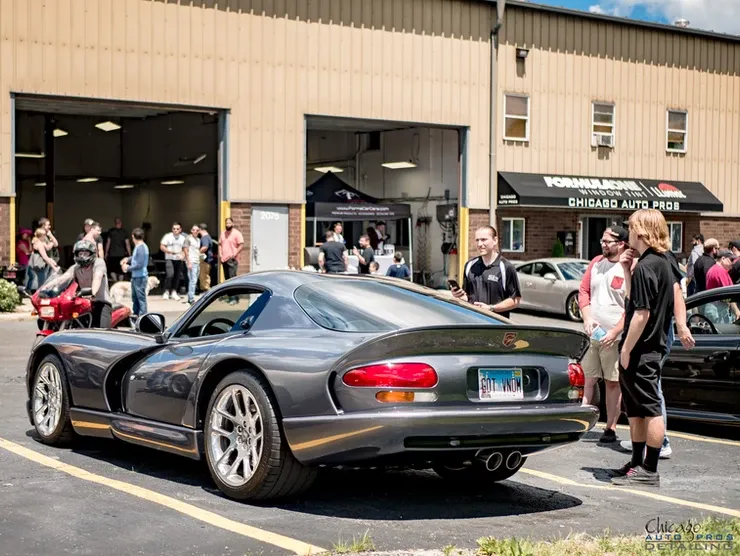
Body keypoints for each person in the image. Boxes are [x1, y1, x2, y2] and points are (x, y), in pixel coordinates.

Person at [611, 209, 675, 487]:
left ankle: (649, 469)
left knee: (650, 409)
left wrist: (626, 348)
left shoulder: (649, 266)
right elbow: (632, 300)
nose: (629, 232)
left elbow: (641, 313)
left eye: (631, 227)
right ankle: (636, 463)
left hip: (644, 349)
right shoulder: (658, 263)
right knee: (635, 409)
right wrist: (627, 270)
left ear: (643, 231)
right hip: (649, 347)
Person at [578, 226, 629, 443]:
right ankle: (581, 422)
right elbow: (583, 291)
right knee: (588, 378)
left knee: (612, 382)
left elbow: (633, 306)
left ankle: (611, 427)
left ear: (621, 244)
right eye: (602, 240)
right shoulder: (596, 262)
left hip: (614, 337)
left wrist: (616, 330)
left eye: (608, 241)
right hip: (594, 334)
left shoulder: (628, 267)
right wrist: (587, 317)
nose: (603, 244)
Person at [451, 225, 522, 319]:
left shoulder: (506, 267)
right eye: (477, 240)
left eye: (484, 240)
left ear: (495, 240)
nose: (480, 244)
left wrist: (491, 308)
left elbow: (515, 300)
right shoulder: (469, 265)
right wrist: (459, 295)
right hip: (472, 322)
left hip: (495, 325)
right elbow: (468, 297)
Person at [72, 239, 112, 328]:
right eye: (80, 254)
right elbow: (64, 278)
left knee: (102, 331)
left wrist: (92, 292)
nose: (82, 256)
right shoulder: (76, 268)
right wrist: (46, 289)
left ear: (91, 254)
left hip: (100, 302)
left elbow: (97, 277)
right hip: (83, 303)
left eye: (85, 254)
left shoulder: (99, 263)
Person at [121, 228, 150, 318]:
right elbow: (135, 257)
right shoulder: (139, 246)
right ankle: (136, 315)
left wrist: (127, 268)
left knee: (140, 298)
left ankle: (142, 317)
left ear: (133, 236)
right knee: (135, 298)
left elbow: (139, 264)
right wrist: (128, 259)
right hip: (136, 276)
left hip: (140, 277)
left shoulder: (141, 247)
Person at [160, 222, 186, 300]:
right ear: (172, 229)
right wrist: (169, 251)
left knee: (177, 276)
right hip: (169, 258)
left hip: (178, 259)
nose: (175, 230)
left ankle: (174, 291)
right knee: (170, 274)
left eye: (177, 229)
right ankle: (166, 291)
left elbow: (185, 249)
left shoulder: (183, 238)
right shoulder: (167, 236)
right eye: (174, 229)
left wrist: (183, 256)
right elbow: (162, 246)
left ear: (180, 229)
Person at [105, 217, 131, 283]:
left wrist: (106, 253)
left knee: (113, 270)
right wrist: (130, 254)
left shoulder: (111, 231)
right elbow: (127, 244)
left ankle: (115, 282)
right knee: (121, 271)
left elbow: (108, 243)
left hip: (113, 255)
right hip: (120, 255)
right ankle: (119, 283)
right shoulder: (124, 232)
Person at [219, 217, 244, 282]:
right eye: (226, 223)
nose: (228, 224)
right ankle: (228, 292)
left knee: (232, 278)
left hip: (232, 259)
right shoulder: (222, 233)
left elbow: (241, 245)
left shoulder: (237, 233)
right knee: (226, 278)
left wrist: (234, 254)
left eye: (229, 223)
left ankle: (235, 292)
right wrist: (220, 254)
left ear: (232, 224)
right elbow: (220, 244)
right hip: (224, 259)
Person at [183, 224, 202, 305]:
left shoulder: (198, 240)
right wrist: (189, 262)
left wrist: (201, 256)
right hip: (191, 262)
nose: (195, 231)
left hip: (197, 261)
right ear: (191, 230)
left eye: (197, 230)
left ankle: (191, 297)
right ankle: (191, 299)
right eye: (194, 230)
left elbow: (196, 251)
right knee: (193, 280)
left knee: (195, 280)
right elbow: (185, 250)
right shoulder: (188, 239)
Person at [198, 223, 215, 291]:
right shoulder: (208, 237)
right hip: (209, 260)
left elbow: (205, 247)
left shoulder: (204, 237)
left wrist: (198, 252)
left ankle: (206, 290)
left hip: (205, 261)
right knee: (206, 275)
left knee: (204, 276)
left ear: (200, 229)